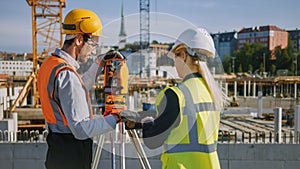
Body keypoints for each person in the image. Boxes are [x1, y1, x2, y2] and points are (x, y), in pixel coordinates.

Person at [126, 28, 227, 169]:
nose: (174, 64)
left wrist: (147, 123)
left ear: (184, 56)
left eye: (175, 58)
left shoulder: (176, 95)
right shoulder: (212, 93)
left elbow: (153, 141)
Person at [37, 9, 123, 169]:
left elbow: (75, 90)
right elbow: (81, 130)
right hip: (72, 155)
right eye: (93, 44)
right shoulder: (67, 74)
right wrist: (117, 118)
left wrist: (99, 65)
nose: (94, 50)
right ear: (78, 39)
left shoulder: (50, 65)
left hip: (57, 150)